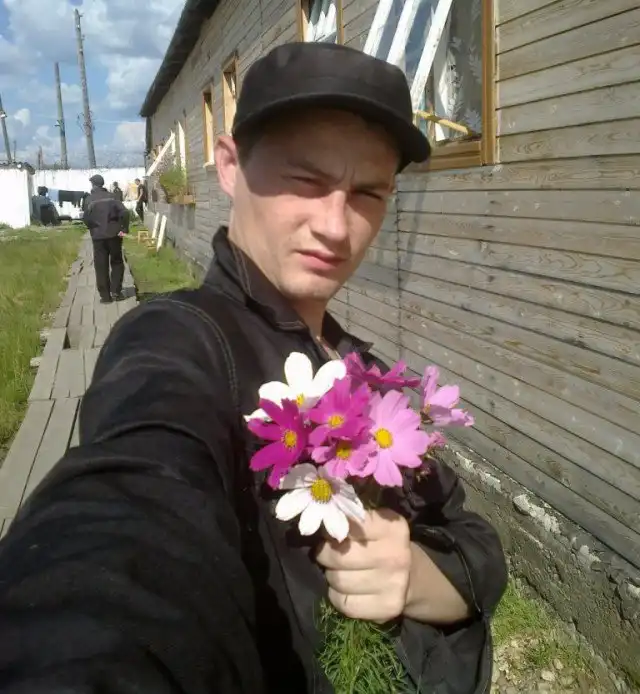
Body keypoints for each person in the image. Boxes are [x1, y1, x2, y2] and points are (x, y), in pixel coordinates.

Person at [0, 43, 507, 693]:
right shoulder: (180, 339)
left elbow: (474, 543)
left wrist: (413, 576)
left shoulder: (367, 374)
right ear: (230, 166)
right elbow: (130, 518)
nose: (336, 226)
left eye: (368, 192)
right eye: (306, 180)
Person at [82, 174, 129, 303]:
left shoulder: (89, 199)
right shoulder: (112, 197)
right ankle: (116, 292)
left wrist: (92, 228)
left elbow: (86, 218)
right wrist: (124, 229)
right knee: (117, 262)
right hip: (114, 234)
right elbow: (125, 212)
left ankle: (105, 296)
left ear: (93, 185)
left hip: (98, 237)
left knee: (100, 265)